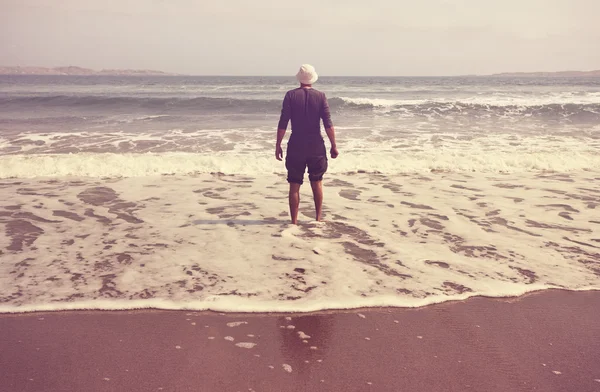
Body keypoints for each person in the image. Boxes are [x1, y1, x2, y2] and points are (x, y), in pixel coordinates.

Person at [275, 64, 338, 224]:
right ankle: (317, 219)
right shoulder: (321, 96)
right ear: (312, 79)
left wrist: (278, 145)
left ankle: (294, 222)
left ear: (300, 79)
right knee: (317, 183)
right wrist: (333, 145)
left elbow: (283, 122)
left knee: (294, 184)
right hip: (316, 145)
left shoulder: (290, 95)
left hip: (296, 144)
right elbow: (328, 124)